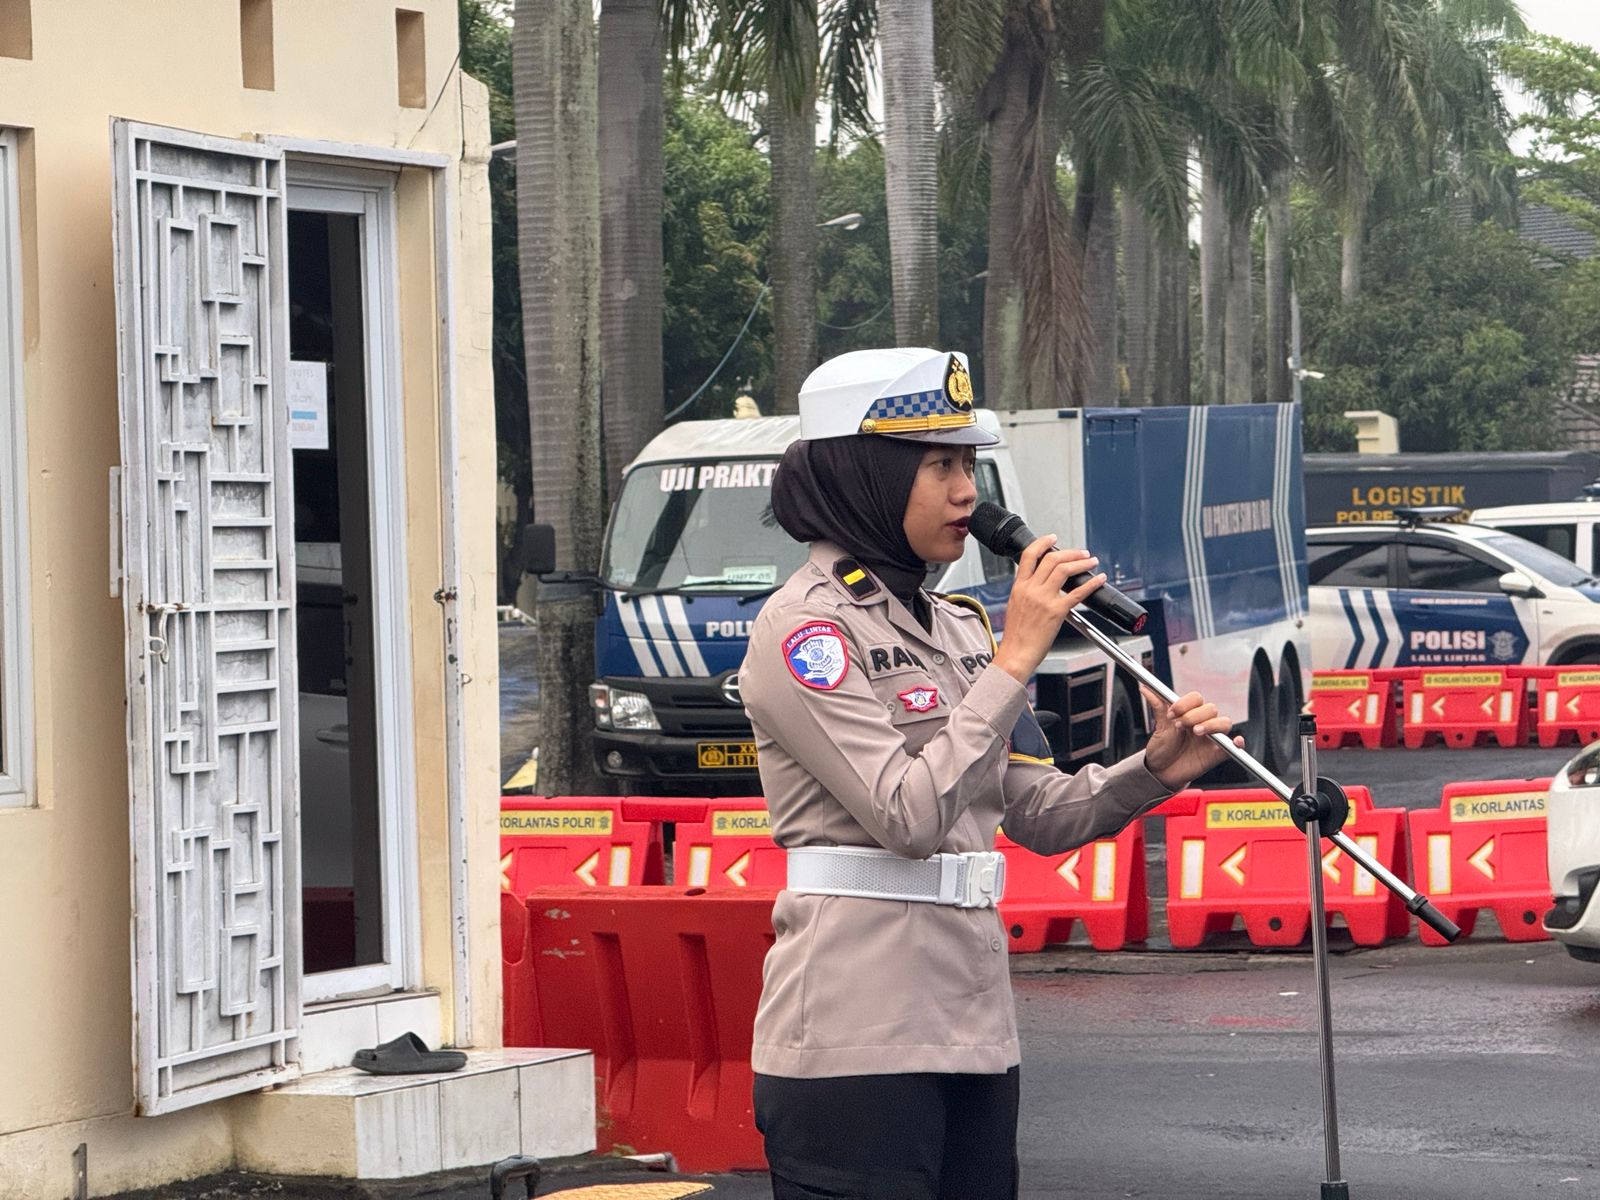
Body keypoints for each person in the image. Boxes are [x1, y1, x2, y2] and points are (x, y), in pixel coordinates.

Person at [739, 347, 1242, 1200]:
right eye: (939, 466)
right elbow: (907, 817)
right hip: (856, 1034)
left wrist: (1154, 770)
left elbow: (1036, 813)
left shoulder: (959, 626)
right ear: (865, 475)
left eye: (969, 465)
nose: (967, 493)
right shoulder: (806, 632)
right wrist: (1013, 661)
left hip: (973, 1025)